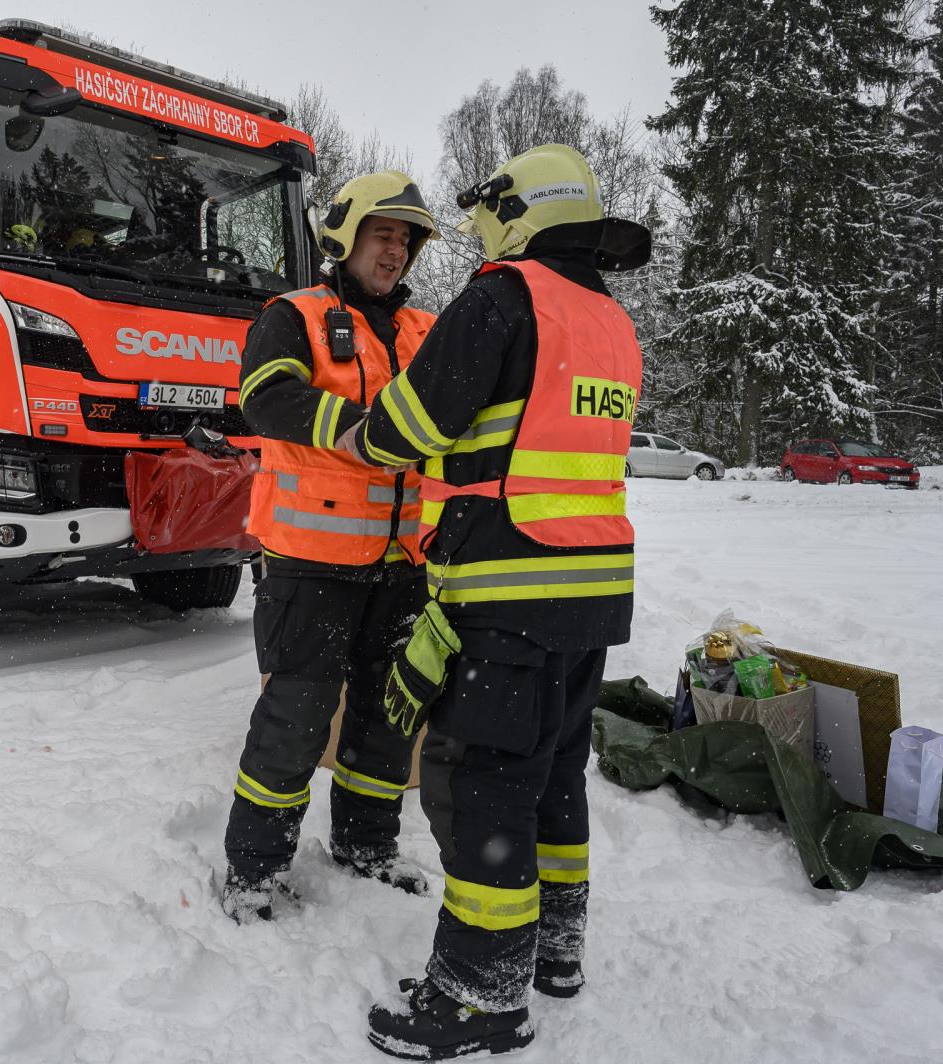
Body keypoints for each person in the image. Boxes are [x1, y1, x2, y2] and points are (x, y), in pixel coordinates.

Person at [341, 145, 650, 1059]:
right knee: (553, 780)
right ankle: (555, 951)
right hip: (591, 596)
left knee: (479, 789)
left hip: (509, 593)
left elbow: (416, 424)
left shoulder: (504, 294)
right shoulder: (607, 318)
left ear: (518, 208)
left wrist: (364, 435)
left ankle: (480, 995)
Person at [219, 170, 441, 924]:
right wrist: (355, 428)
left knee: (387, 719)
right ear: (344, 237)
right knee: (295, 717)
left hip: (401, 563)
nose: (396, 251)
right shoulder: (295, 315)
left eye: (406, 240)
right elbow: (267, 396)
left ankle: (367, 846)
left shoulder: (423, 330)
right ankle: (254, 869)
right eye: (384, 235)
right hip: (310, 562)